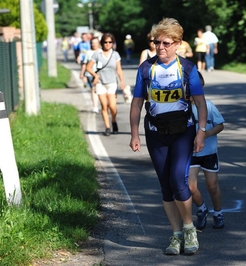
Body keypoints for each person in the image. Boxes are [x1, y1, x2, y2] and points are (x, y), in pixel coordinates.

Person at [129, 18, 207, 255]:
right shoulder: (146, 69)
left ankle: (189, 228)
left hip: (183, 133)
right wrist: (134, 134)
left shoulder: (188, 69)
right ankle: (175, 235)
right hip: (155, 133)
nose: (160, 47)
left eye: (165, 43)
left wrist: (201, 132)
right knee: (165, 186)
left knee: (178, 180)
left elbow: (201, 105)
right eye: (156, 42)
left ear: (177, 44)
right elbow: (136, 104)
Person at [188, 71, 225, 230]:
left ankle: (218, 213)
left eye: (200, 89)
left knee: (212, 186)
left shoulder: (208, 105)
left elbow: (220, 125)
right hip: (191, 154)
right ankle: (202, 208)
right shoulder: (181, 109)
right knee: (190, 186)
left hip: (209, 153)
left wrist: (206, 133)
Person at [86, 33, 125, 136]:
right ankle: (107, 127)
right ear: (102, 43)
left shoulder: (115, 54)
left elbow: (119, 69)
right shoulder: (97, 54)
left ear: (113, 43)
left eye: (110, 42)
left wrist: (122, 81)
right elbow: (88, 67)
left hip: (112, 82)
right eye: (105, 42)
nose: (108, 44)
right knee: (104, 106)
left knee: (112, 106)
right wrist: (95, 76)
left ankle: (114, 121)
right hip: (100, 83)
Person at [80, 37, 101, 113]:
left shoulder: (102, 52)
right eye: (92, 43)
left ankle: (103, 104)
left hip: (100, 73)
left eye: (96, 42)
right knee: (94, 89)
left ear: (99, 43)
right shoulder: (88, 52)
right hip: (90, 74)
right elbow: (84, 64)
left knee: (101, 90)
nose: (94, 44)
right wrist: (82, 73)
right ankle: (95, 106)